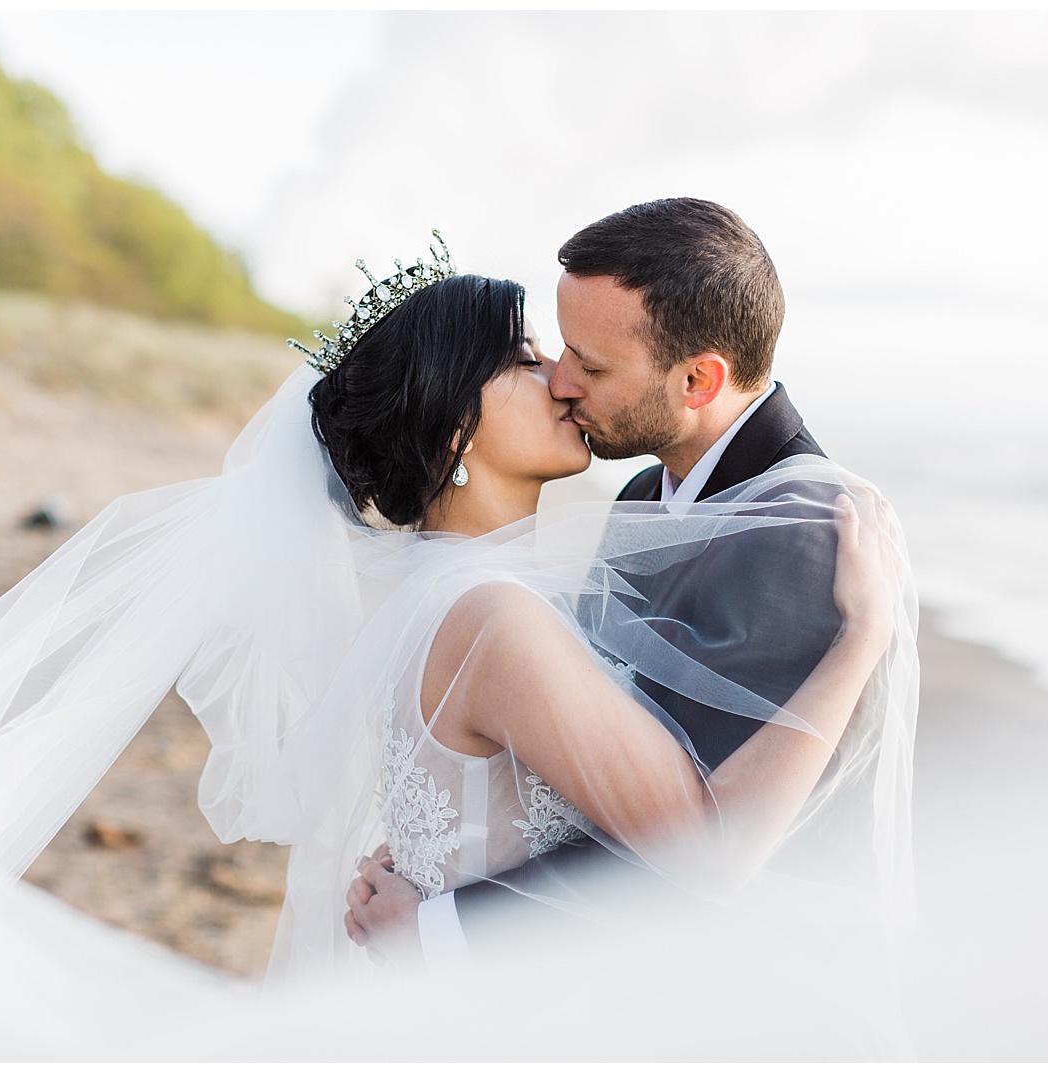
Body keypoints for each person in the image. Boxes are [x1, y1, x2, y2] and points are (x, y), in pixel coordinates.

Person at [0, 219, 916, 1061]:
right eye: (529, 359)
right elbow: (692, 842)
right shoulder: (492, 612)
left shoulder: (449, 590)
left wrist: (440, 904)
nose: (560, 380)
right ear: (457, 431)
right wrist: (862, 636)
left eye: (576, 361)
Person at [347, 199, 911, 970]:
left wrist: (445, 921)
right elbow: (590, 778)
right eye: (552, 352)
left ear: (697, 379)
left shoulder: (806, 531)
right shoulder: (641, 499)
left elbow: (691, 847)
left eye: (592, 363)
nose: (562, 381)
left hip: (763, 990)